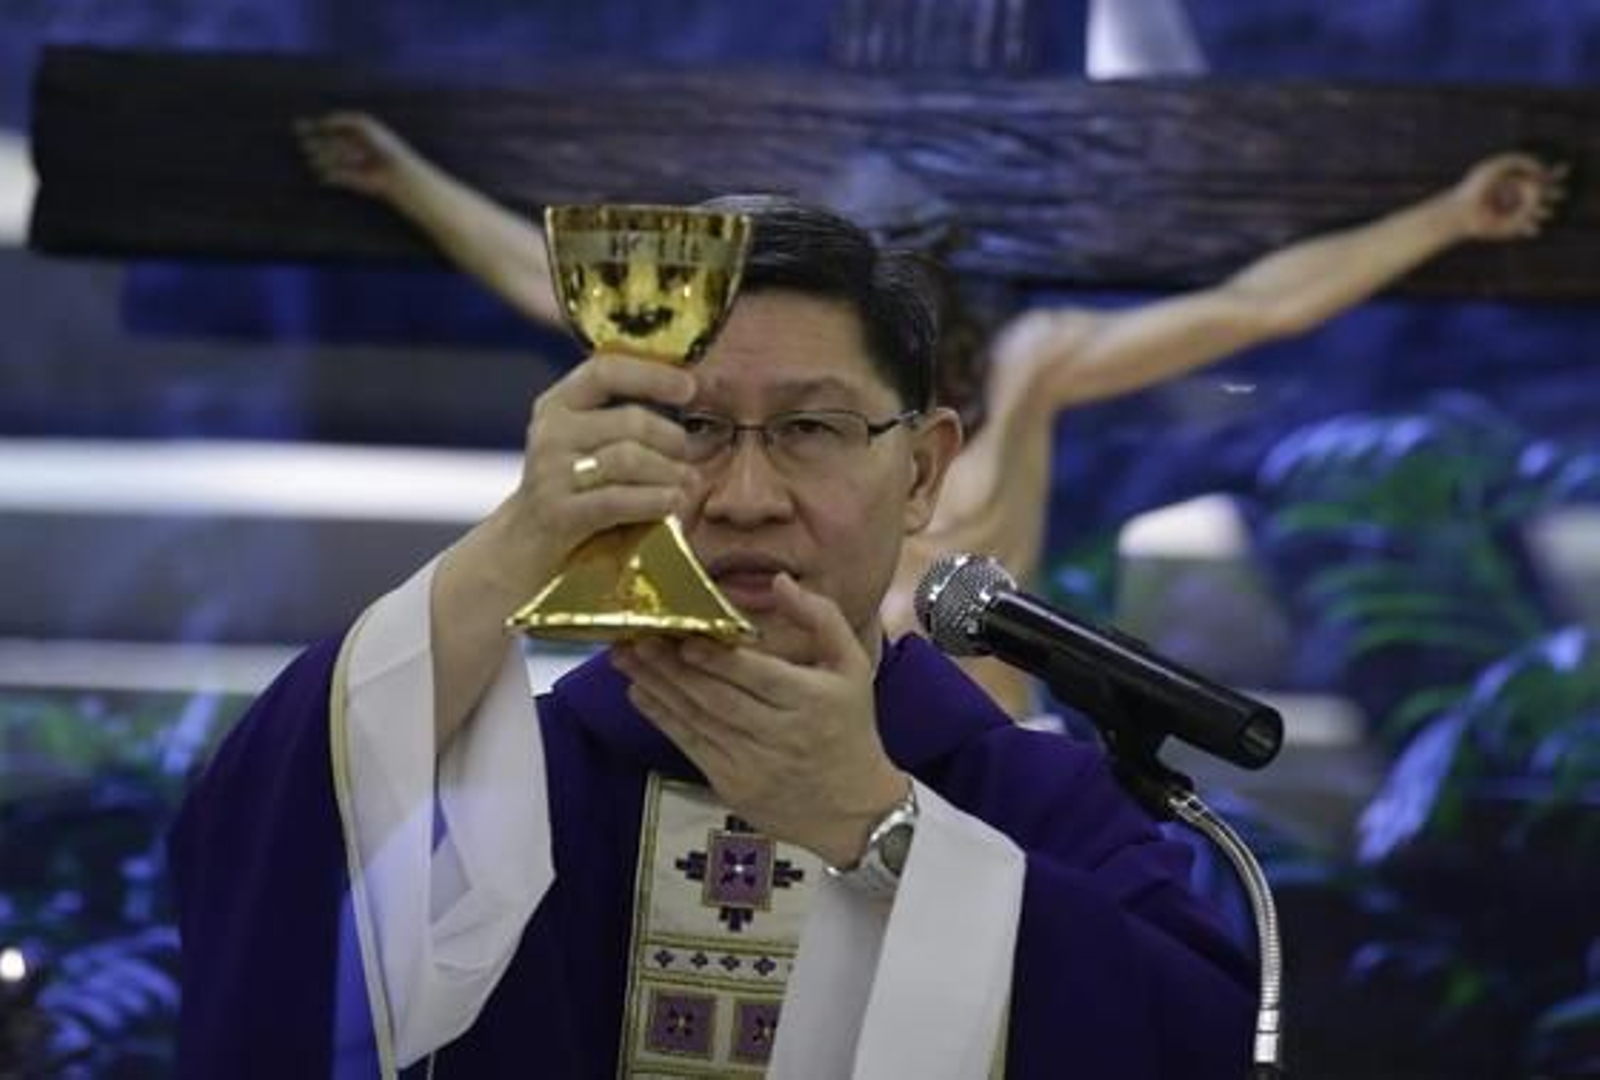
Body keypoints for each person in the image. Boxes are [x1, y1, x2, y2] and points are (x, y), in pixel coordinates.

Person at [170, 196, 1258, 1078]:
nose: (742, 496)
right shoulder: (507, 779)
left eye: (809, 429)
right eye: (689, 427)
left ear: (922, 472)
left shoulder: (1038, 804)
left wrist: (876, 827)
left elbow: (1192, 1043)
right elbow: (264, 852)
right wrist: (515, 542)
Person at [296, 114, 1566, 719]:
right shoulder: (746, 370)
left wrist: (1450, 217)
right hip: (749, 714)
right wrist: (406, 179)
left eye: (899, 253)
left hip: (961, 751)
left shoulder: (1029, 367)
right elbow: (562, 288)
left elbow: (1255, 307)